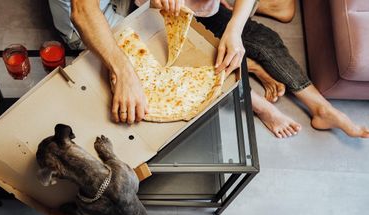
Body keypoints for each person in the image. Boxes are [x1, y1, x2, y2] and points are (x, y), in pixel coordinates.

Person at [49, 0, 369, 138]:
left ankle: (321, 108)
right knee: (183, 61)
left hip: (129, 5)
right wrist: (124, 72)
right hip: (93, 24)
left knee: (256, 35)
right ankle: (256, 101)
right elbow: (83, 11)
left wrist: (234, 28)